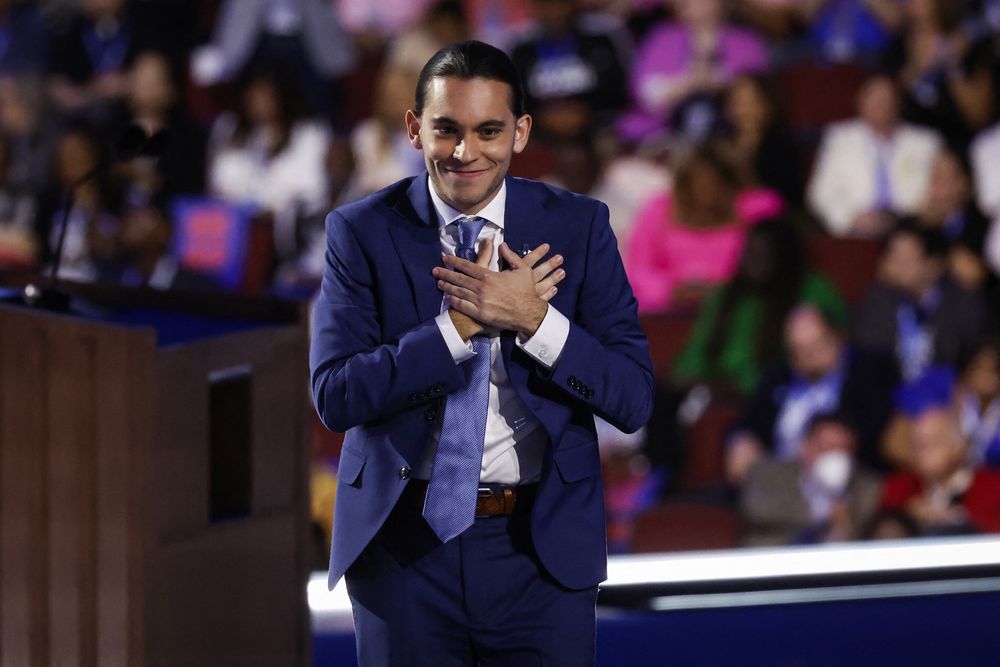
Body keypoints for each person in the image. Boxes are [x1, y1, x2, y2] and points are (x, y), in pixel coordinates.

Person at [309, 41, 654, 664]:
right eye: (447, 130)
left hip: (541, 551)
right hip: (404, 553)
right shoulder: (359, 232)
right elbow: (336, 394)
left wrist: (534, 320)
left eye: (488, 131)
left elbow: (631, 396)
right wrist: (457, 329)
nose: (465, 152)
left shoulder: (579, 226)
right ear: (415, 129)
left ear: (520, 132)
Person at [726, 304, 897, 484]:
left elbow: (875, 432)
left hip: (842, 477)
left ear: (838, 337)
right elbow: (748, 423)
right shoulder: (777, 377)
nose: (810, 356)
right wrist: (742, 441)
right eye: (800, 350)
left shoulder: (869, 371)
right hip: (778, 475)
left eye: (818, 345)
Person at [806, 73, 941, 237]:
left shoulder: (926, 143)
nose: (881, 104)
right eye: (874, 97)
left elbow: (937, 193)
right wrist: (852, 220)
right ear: (860, 100)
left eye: (887, 98)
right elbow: (821, 194)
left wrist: (912, 220)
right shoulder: (838, 139)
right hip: (856, 232)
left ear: (898, 102)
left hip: (912, 230)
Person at [852, 222, 990, 380]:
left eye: (905, 259)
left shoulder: (964, 303)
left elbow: (972, 361)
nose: (894, 265)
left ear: (934, 265)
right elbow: (869, 354)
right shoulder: (877, 301)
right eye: (891, 256)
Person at [740, 411, 883, 547]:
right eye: (824, 448)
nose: (832, 457)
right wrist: (822, 512)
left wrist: (843, 520)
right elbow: (757, 510)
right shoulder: (769, 473)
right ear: (805, 446)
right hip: (773, 562)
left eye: (840, 450)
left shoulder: (867, 487)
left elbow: (863, 534)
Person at [881, 405, 1000, 535]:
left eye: (933, 442)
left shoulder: (993, 487)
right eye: (917, 444)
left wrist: (956, 520)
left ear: (959, 446)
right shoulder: (899, 489)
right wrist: (905, 520)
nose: (922, 451)